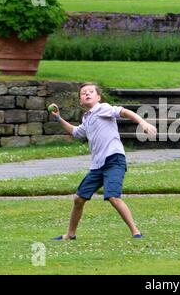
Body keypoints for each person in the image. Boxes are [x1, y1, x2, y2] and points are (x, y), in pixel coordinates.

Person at [51, 82, 157, 240]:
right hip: (97, 166)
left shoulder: (103, 108)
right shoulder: (87, 118)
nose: (87, 94)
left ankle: (136, 232)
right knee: (78, 199)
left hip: (114, 159)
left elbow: (124, 111)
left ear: (98, 97)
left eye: (91, 92)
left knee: (113, 197)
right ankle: (70, 234)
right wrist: (59, 118)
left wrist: (142, 122)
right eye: (83, 93)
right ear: (80, 101)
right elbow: (76, 132)